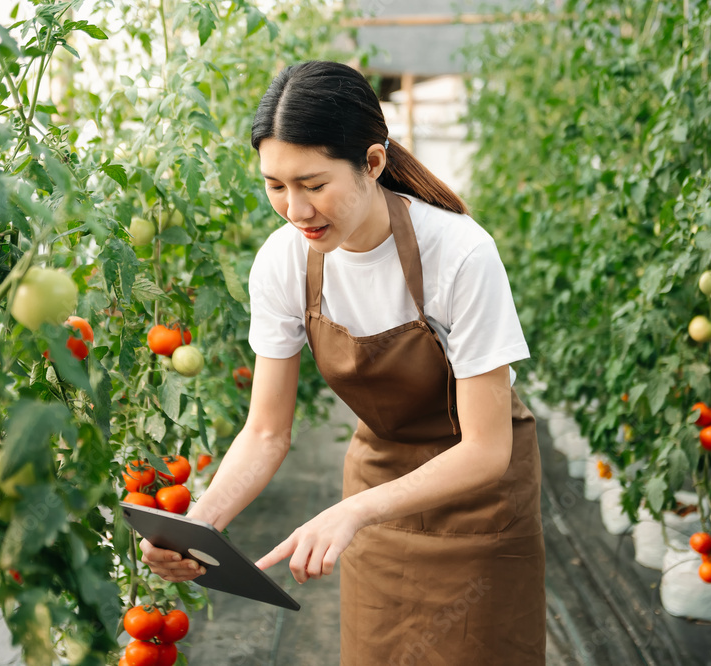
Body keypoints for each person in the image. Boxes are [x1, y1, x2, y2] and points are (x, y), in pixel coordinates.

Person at [141, 60, 546, 665]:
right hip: (378, 493)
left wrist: (351, 512)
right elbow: (267, 430)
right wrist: (196, 528)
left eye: (313, 183)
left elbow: (487, 451)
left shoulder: (459, 253)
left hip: (478, 507)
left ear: (374, 163)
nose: (295, 209)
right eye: (276, 185)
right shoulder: (282, 264)